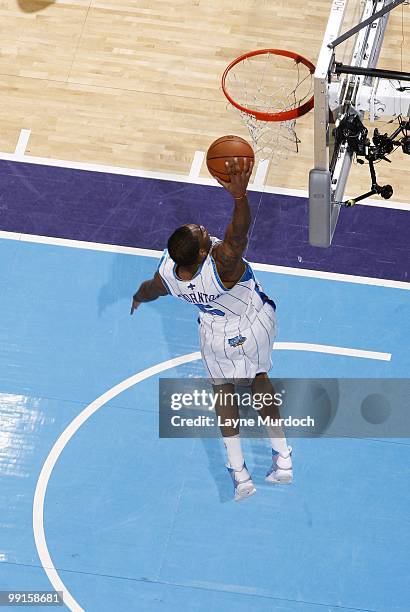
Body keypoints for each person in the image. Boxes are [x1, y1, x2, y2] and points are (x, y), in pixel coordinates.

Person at [131, 158, 292, 501]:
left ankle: (240, 475)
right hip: (252, 321)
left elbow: (151, 287)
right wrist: (238, 197)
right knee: (259, 380)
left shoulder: (170, 276)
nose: (204, 227)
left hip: (215, 335)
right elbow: (239, 232)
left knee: (223, 393)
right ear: (203, 252)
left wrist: (138, 297)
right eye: (202, 233)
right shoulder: (223, 264)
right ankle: (283, 460)